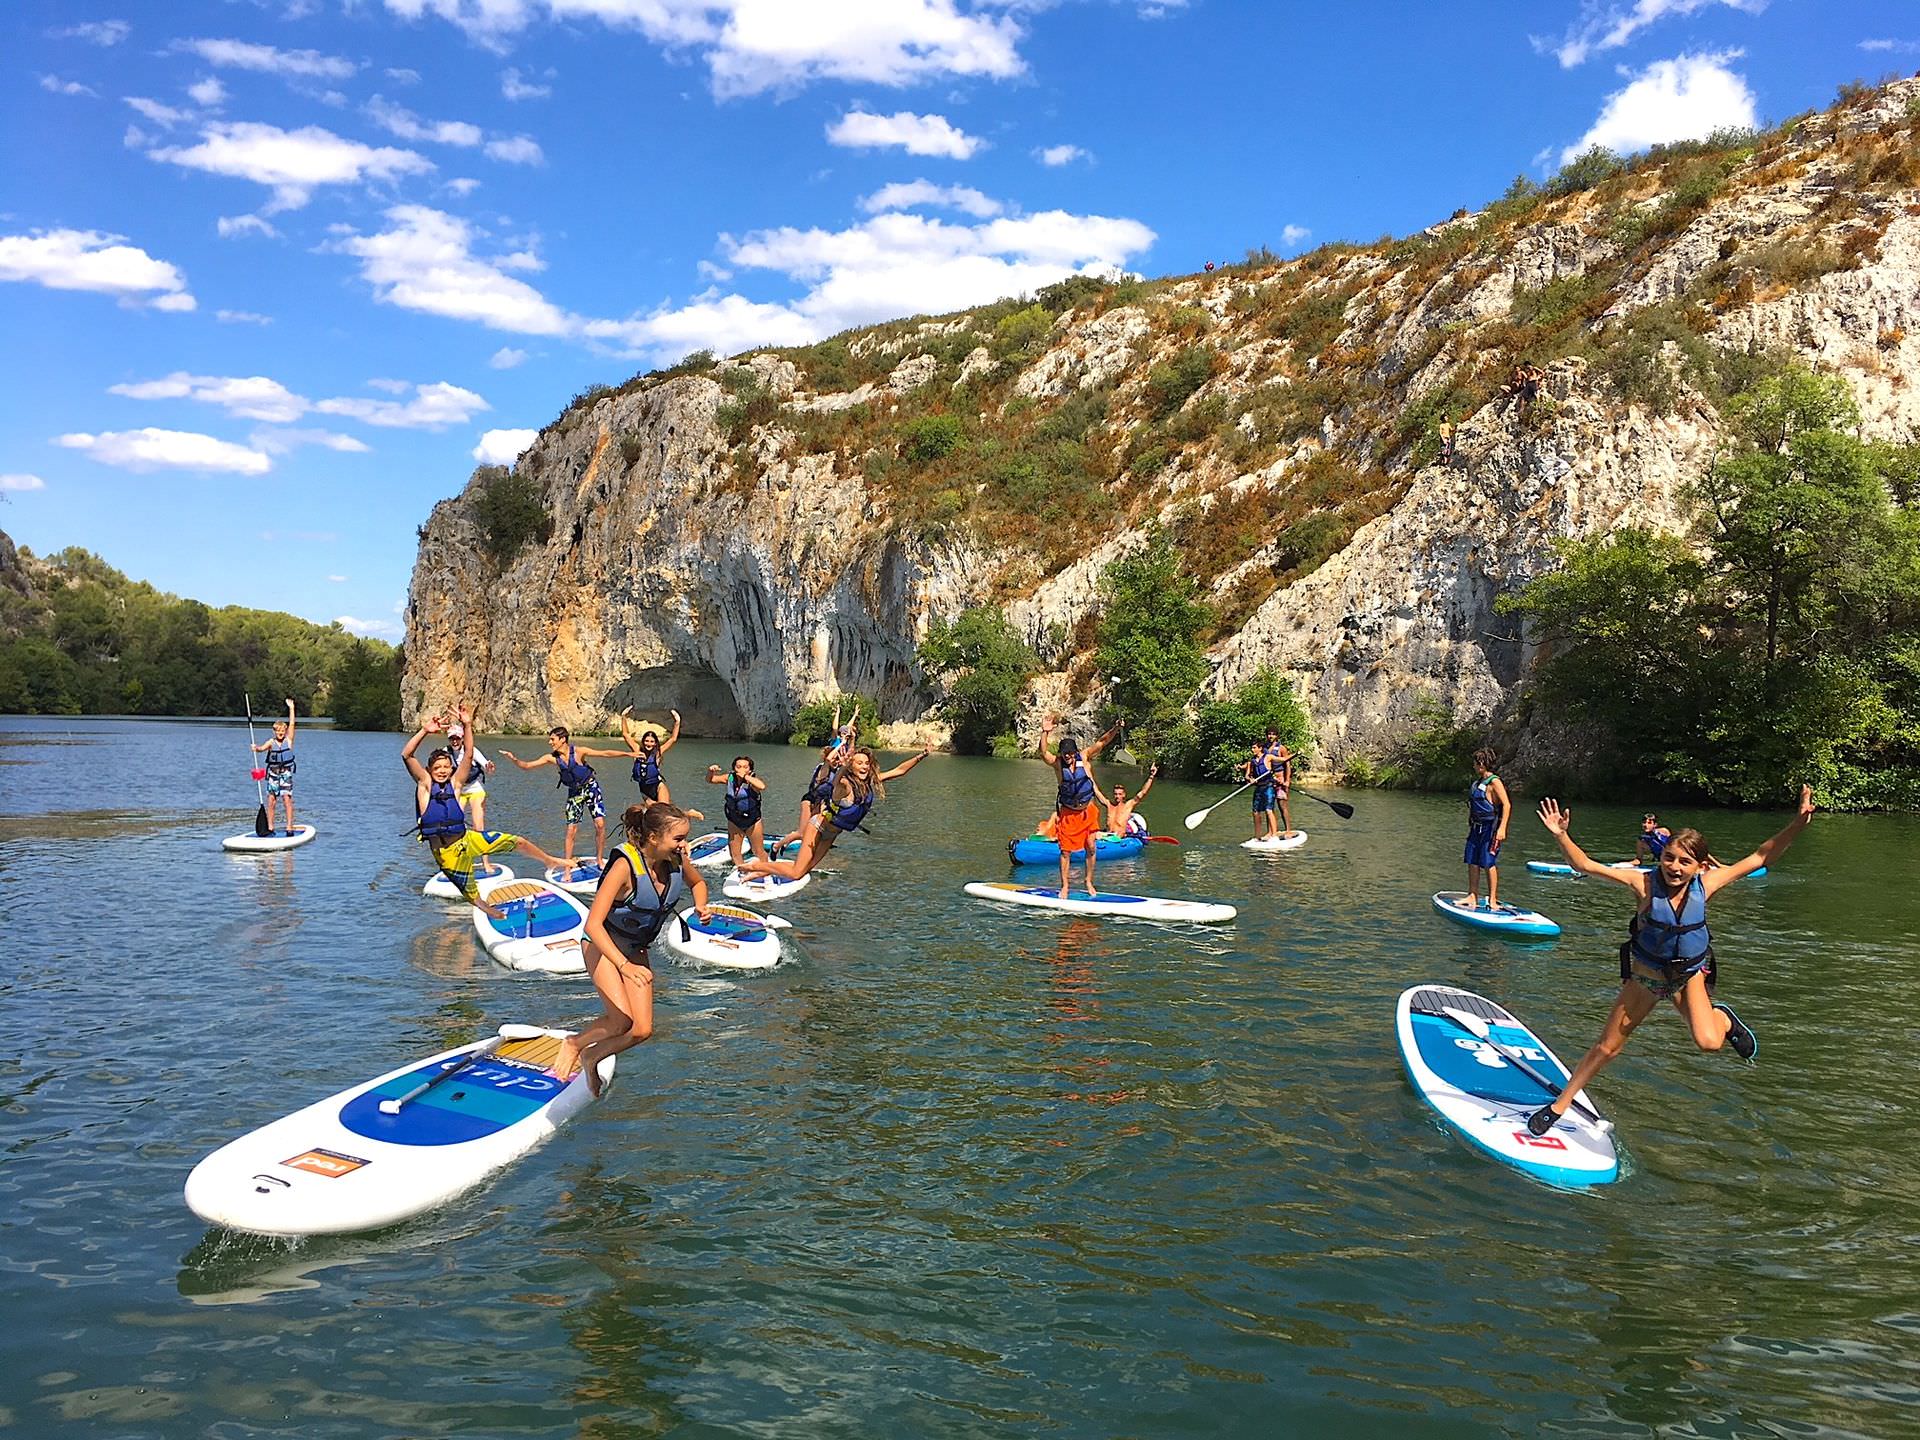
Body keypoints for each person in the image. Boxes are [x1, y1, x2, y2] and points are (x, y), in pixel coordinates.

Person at [1524, 786, 1817, 1136]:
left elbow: (1761, 856)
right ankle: (1559, 1105)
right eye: (1669, 858)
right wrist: (1562, 836)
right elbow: (1584, 865)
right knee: (1608, 1048)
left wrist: (1798, 824)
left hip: (1687, 976)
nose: (1674, 867)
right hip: (1646, 979)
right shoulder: (1642, 884)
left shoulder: (1707, 885)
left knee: (1709, 1042)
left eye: (1684, 861)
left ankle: (1723, 1018)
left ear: (1700, 866)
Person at [554, 803, 710, 1096]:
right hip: (602, 946)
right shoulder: (624, 866)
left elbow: (698, 883)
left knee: (641, 1030)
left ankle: (592, 1056)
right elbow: (593, 925)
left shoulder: (677, 860)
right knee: (620, 1020)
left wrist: (701, 905)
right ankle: (574, 1044)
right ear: (653, 838)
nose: (684, 845)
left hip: (635, 949)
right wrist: (624, 966)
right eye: (678, 838)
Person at [403, 706, 562, 918]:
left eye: (446, 767)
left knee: (518, 841)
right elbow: (407, 754)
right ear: (430, 770)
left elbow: (469, 754)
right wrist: (424, 730)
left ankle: (548, 860)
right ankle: (488, 910)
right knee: (472, 896)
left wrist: (468, 724)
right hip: (447, 854)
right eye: (437, 767)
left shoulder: (457, 783)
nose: (442, 770)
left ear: (451, 768)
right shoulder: (424, 785)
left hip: (468, 839)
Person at [741, 744, 933, 882]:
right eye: (859, 763)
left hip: (831, 835)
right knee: (796, 873)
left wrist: (922, 755)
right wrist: (844, 766)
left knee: (803, 871)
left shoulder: (869, 783)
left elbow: (899, 771)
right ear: (852, 766)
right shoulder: (844, 785)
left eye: (867, 763)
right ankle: (754, 866)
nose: (865, 766)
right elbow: (836, 780)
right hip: (817, 827)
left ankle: (763, 871)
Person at [499, 726, 632, 867]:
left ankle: (599, 859)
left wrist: (629, 755)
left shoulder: (579, 752)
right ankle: (568, 867)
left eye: (552, 739)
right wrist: (513, 759)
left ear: (562, 739)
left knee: (600, 824)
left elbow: (605, 753)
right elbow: (527, 766)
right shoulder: (551, 758)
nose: (550, 742)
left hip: (590, 787)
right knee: (571, 830)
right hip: (575, 793)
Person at [1040, 717, 1122, 897]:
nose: (1068, 756)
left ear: (1075, 752)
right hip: (1069, 814)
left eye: (1070, 753)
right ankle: (1065, 886)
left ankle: (1088, 882)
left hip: (1088, 811)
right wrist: (1045, 732)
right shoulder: (1057, 764)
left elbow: (1102, 741)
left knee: (1091, 846)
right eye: (1064, 753)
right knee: (1065, 852)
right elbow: (1043, 752)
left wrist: (1115, 728)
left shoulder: (1084, 757)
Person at [776, 704, 854, 849]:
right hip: (810, 800)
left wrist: (854, 721)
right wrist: (841, 741)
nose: (838, 760)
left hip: (823, 801)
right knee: (801, 832)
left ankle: (815, 845)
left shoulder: (838, 768)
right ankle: (778, 845)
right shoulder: (824, 767)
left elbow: (849, 754)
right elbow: (830, 757)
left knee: (818, 829)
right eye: (836, 758)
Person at [1463, 748, 1510, 909]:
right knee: (1472, 860)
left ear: (1482, 764)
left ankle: (1492, 899)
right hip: (1476, 828)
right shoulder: (1478, 783)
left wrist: (1502, 828)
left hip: (1490, 829)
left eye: (1475, 763)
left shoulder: (1494, 782)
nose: (1474, 766)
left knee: (1488, 862)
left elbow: (1507, 804)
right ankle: (1472, 895)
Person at [706, 754, 770, 868]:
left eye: (745, 767)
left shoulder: (752, 781)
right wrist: (711, 771)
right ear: (734, 768)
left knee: (758, 851)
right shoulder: (730, 778)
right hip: (734, 820)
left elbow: (762, 786)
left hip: (752, 821)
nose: (741, 769)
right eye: (738, 767)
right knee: (735, 853)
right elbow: (711, 780)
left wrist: (745, 777)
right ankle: (741, 871)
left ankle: (766, 871)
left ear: (750, 769)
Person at [251, 698, 299, 835]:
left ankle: (289, 827)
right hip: (273, 774)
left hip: (285, 774)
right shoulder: (271, 742)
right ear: (274, 732)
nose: (281, 733)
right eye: (278, 731)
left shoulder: (288, 740)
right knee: (271, 801)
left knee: (287, 799)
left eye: (283, 731)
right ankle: (270, 827)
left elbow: (292, 724)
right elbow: (261, 748)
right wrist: (256, 748)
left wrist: (291, 708)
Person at [620, 707, 681, 804]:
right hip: (644, 790)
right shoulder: (637, 751)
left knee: (663, 810)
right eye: (646, 741)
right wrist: (623, 717)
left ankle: (689, 813)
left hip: (658, 787)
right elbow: (625, 734)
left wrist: (677, 721)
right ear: (643, 742)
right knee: (654, 813)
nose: (649, 744)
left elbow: (673, 739)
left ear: (655, 743)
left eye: (652, 741)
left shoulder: (657, 753)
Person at [446, 719, 495, 832]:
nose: (454, 742)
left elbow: (485, 763)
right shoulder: (446, 752)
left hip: (475, 788)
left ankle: (480, 842)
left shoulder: (471, 750)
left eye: (457, 738)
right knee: (454, 821)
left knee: (478, 824)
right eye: (452, 739)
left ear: (462, 738)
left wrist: (489, 766)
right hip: (459, 790)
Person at [1106, 764, 1158, 838]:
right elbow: (1097, 792)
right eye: (1116, 794)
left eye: (1120, 794)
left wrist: (1151, 776)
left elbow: (1143, 792)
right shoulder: (1109, 805)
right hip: (1107, 836)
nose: (1117, 796)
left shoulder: (1128, 805)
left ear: (1124, 795)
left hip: (1119, 838)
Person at [1241, 740, 1278, 842]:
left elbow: (1282, 759)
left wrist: (1296, 754)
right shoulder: (1252, 761)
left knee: (1268, 810)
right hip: (1259, 788)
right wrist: (1250, 779)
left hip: (1269, 786)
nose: (1252, 750)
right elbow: (1247, 775)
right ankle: (1257, 837)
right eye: (1252, 748)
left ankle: (1274, 836)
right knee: (1255, 812)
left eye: (1254, 748)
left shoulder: (1267, 757)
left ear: (1260, 748)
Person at [1265, 728, 1297, 840]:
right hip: (1269, 781)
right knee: (1269, 806)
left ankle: (1288, 830)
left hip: (1280, 779)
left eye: (1273, 734)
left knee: (1282, 806)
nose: (1271, 736)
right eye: (1269, 734)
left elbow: (1287, 765)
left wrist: (1287, 781)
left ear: (1277, 736)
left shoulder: (1281, 748)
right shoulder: (1264, 748)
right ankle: (1270, 831)